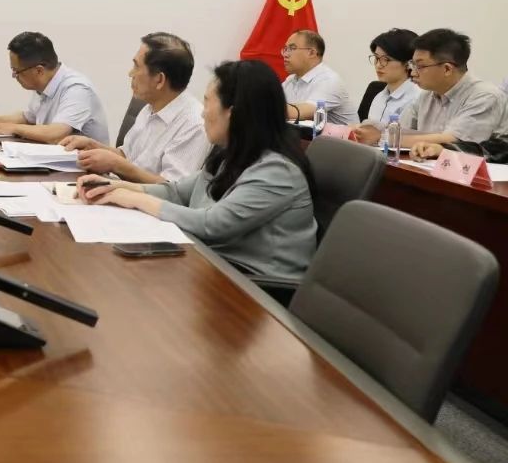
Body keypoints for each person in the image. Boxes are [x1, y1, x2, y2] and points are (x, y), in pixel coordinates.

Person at [79, 60, 316, 280]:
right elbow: (176, 192)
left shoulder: (277, 171)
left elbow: (211, 225)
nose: (202, 112)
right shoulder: (232, 153)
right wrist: (112, 187)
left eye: (208, 101)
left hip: (255, 287)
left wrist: (133, 199)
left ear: (233, 112)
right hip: (214, 265)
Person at [61, 32, 209, 183]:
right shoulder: (151, 106)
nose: (130, 73)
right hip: (120, 188)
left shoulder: (194, 125)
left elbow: (172, 189)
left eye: (136, 66)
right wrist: (91, 145)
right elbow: (126, 156)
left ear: (159, 80)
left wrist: (115, 165)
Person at [0, 31, 109, 144]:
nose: (14, 76)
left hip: (82, 164)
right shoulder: (45, 83)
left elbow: (56, 133)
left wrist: (14, 128)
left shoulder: (77, 89)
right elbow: (28, 118)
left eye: (16, 71)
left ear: (39, 70)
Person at [399, 28, 508, 158]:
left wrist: (386, 138)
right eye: (412, 65)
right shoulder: (427, 94)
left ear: (447, 69)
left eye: (420, 66)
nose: (412, 72)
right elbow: (400, 130)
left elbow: (453, 142)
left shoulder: (485, 96)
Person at [352, 28, 420, 147]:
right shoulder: (379, 96)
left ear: (408, 64)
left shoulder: (417, 98)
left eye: (386, 60)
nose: (378, 65)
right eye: (376, 58)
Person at [280, 29, 356, 125]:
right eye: (285, 49)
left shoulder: (329, 81)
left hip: (337, 135)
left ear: (311, 53)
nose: (285, 54)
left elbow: (298, 113)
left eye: (292, 48)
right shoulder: (291, 80)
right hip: (305, 134)